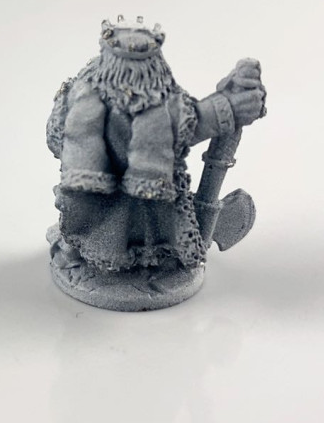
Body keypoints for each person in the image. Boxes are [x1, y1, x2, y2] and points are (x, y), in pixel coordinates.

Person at [46, 16, 266, 306]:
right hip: (109, 207)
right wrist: (227, 108)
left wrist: (229, 102)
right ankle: (104, 263)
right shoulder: (104, 98)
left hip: (140, 203)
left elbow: (183, 120)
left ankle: (141, 263)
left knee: (145, 233)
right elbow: (182, 126)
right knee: (116, 234)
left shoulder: (137, 91)